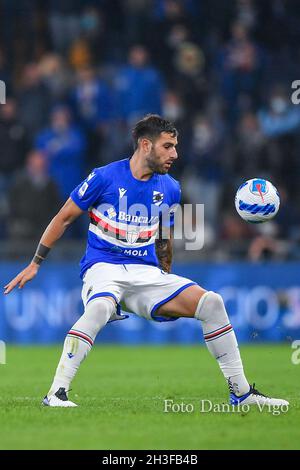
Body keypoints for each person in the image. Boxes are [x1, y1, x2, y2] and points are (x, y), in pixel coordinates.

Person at [4, 114, 288, 408]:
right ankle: (56, 393)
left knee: (212, 303)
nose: (175, 154)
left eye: (175, 147)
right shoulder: (104, 177)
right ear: (145, 145)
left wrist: (165, 277)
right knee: (100, 307)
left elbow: (163, 239)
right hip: (104, 269)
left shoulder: (170, 188)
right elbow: (63, 218)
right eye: (167, 146)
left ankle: (241, 394)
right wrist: (36, 262)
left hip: (145, 274)